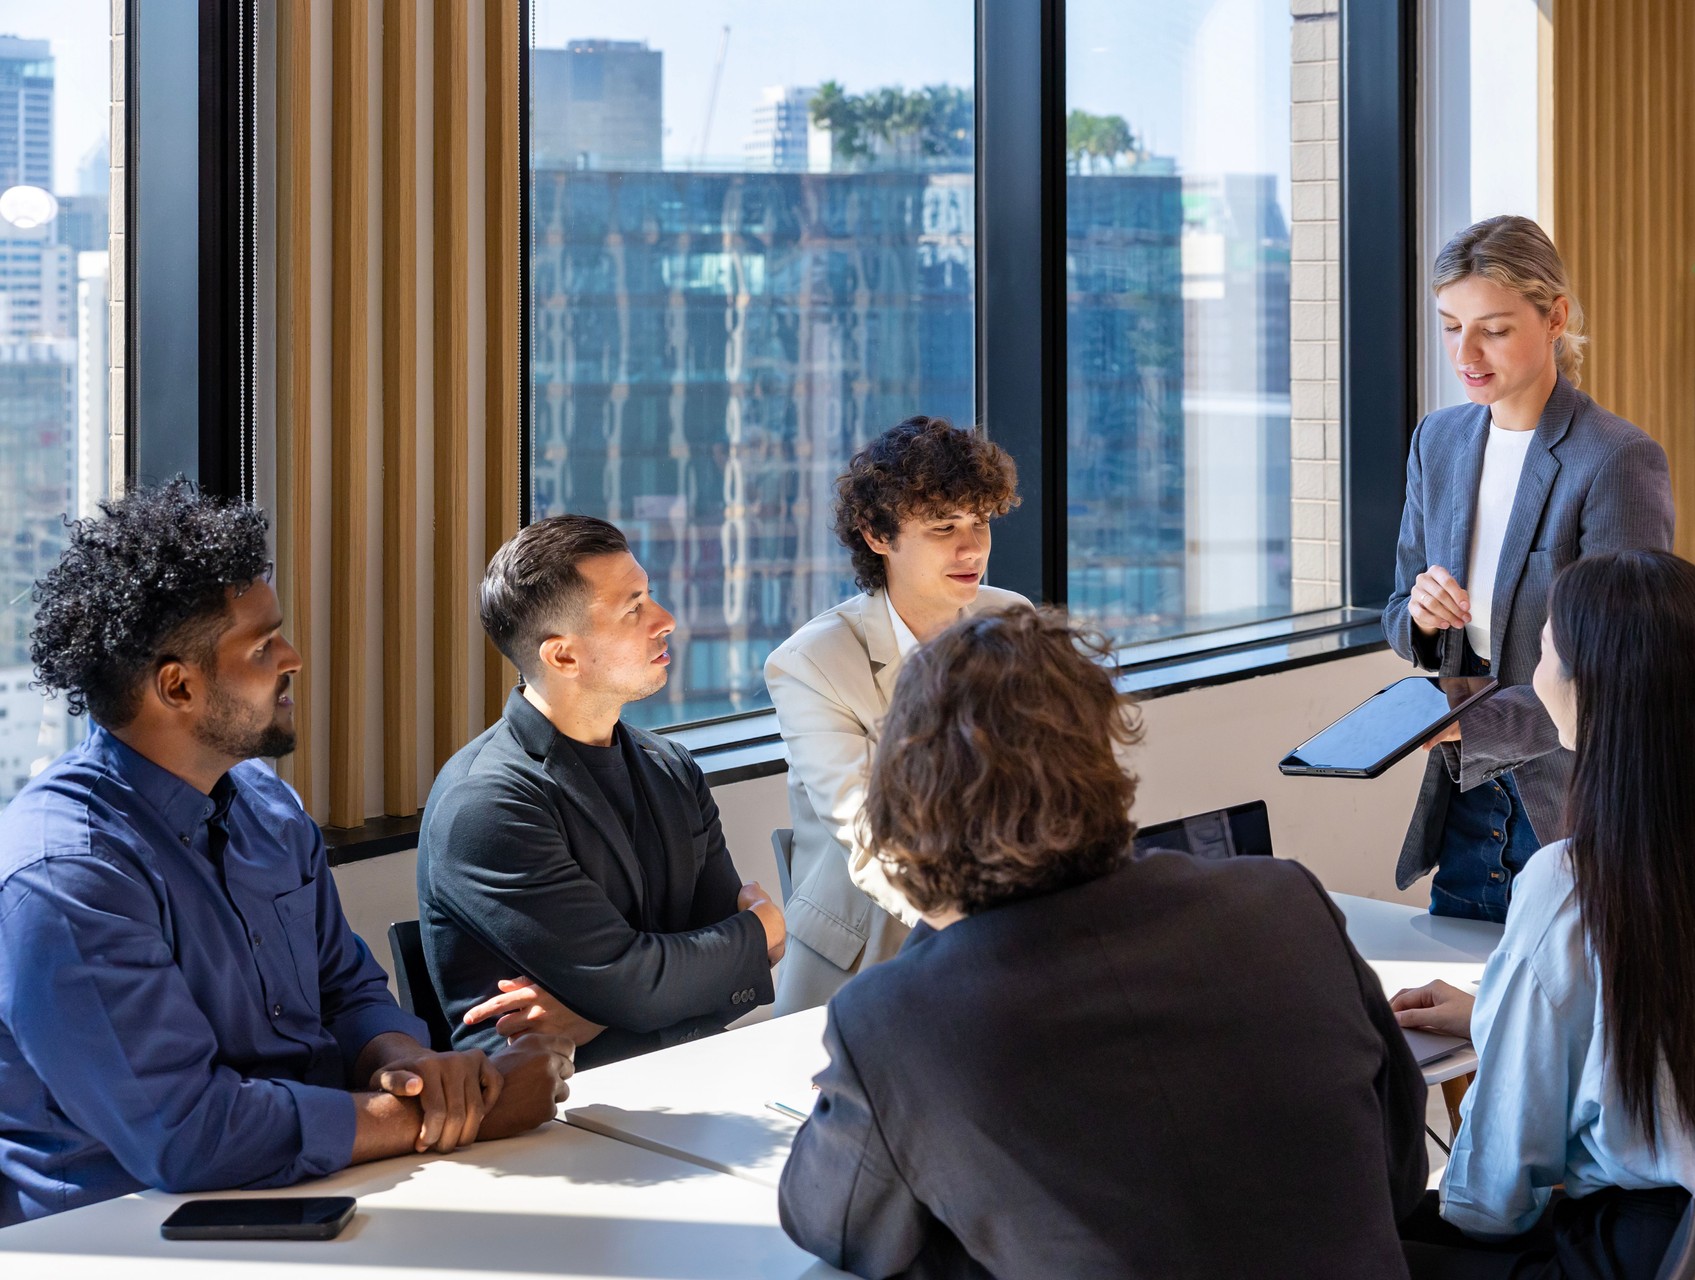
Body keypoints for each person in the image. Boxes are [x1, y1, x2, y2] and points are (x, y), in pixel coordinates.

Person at [779, 608, 1429, 1279]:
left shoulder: (895, 1017)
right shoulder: (1285, 902)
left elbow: (833, 1225)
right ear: (1100, 755)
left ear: (910, 793)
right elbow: (1400, 1177)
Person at [0, 482, 573, 1228]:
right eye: (263, 645)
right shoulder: (65, 878)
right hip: (129, 1231)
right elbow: (188, 1135)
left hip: (320, 1189)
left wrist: (406, 1063)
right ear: (177, 686)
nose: (294, 657)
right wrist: (457, 1117)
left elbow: (346, 991)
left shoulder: (268, 811)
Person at [1392, 549, 1695, 1278]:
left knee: (1354, 1235)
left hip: (1646, 1258)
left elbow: (1489, 1201)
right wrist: (1493, 1014)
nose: (1534, 668)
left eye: (1544, 648)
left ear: (1593, 691)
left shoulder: (1571, 883)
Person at [1383, 215, 1673, 923]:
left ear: (1555, 318)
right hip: (1464, 803)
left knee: (1550, 1024)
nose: (1467, 352)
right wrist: (1418, 618)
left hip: (1571, 807)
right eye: (1452, 326)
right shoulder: (1439, 442)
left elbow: (1625, 668)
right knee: (1449, 1018)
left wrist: (1468, 726)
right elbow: (1397, 610)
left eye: (1495, 328)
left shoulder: (1613, 459)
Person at [417, 515, 786, 1071]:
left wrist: (598, 1008)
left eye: (650, 596)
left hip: (686, 1077)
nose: (666, 620)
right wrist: (756, 932)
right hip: (557, 1112)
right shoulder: (487, 803)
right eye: (633, 608)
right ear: (562, 656)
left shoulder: (671, 765)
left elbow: (673, 970)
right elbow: (709, 958)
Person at [764, 416, 1026, 1014]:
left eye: (979, 522)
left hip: (1002, 917)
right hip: (867, 946)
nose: (972, 549)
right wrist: (968, 929)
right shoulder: (813, 661)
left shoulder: (1011, 618)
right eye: (943, 528)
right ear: (877, 536)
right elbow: (867, 831)